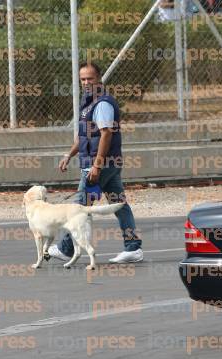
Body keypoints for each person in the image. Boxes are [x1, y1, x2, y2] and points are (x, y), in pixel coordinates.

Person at [49, 62, 143, 264]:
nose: (86, 82)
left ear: (99, 78)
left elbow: (106, 134)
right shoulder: (89, 102)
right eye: (82, 79)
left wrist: (97, 166)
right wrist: (69, 155)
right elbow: (84, 136)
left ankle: (66, 248)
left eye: (90, 78)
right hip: (104, 164)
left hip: (100, 166)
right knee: (119, 205)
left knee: (80, 207)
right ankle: (133, 248)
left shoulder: (102, 103)